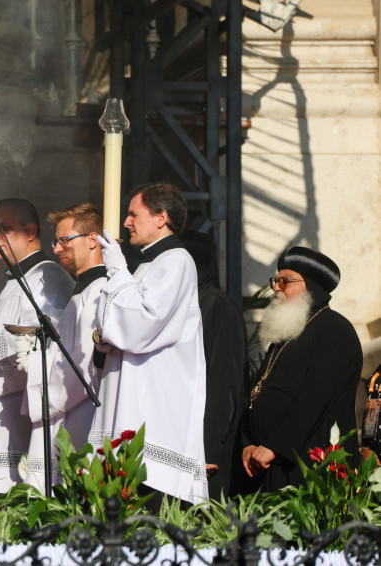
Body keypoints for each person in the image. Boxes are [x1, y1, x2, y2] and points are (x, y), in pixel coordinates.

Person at [93, 182, 208, 506]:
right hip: (129, 392)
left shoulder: (176, 261)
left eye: (134, 214)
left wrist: (118, 270)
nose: (126, 222)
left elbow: (143, 324)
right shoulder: (148, 264)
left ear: (161, 217)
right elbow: (115, 328)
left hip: (154, 406)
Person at [239, 246, 362, 492]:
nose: (276, 288)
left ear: (312, 287)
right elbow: (259, 392)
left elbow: (314, 400)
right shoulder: (287, 332)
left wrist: (275, 445)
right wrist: (248, 444)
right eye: (275, 280)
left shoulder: (334, 330)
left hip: (311, 466)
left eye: (285, 281)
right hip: (268, 462)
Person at [0, 197, 74, 493]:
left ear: (30, 231)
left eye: (4, 228)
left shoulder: (48, 277)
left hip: (21, 417)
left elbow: (47, 350)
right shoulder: (13, 282)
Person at [20, 203, 107, 493]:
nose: (57, 249)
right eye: (56, 241)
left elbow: (82, 365)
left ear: (92, 240)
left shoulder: (99, 293)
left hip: (80, 414)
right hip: (68, 411)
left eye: (64, 240)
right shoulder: (81, 292)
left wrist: (35, 369)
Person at [180, 230, 248, 499]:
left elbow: (224, 384)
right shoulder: (178, 303)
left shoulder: (218, 307)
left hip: (204, 452)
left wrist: (207, 448)